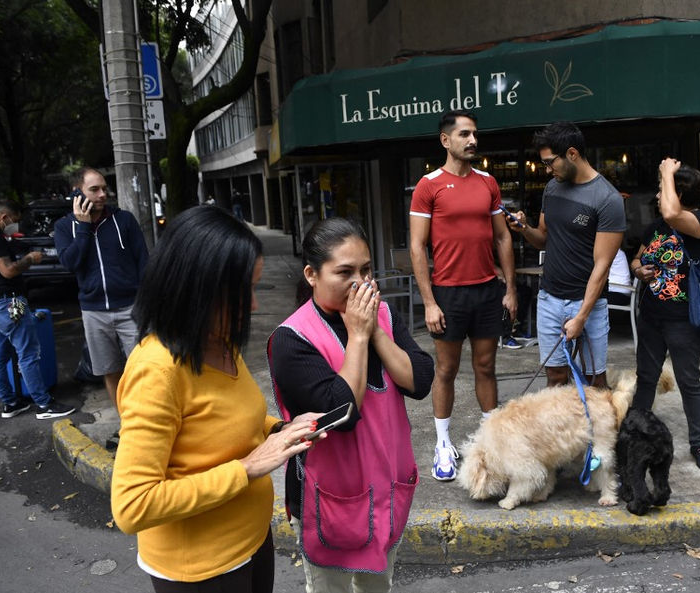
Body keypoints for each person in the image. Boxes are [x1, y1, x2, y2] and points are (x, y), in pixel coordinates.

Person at [111, 206, 322, 592]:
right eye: (244, 293)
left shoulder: (217, 339)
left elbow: (234, 420)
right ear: (198, 290)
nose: (254, 307)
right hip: (202, 569)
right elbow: (132, 506)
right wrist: (247, 468)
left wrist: (282, 430)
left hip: (251, 543)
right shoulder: (157, 370)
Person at [269, 217, 433, 592]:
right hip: (328, 499)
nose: (360, 283)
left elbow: (421, 379)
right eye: (344, 272)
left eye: (366, 270)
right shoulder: (292, 339)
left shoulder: (384, 316)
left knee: (378, 585)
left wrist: (375, 331)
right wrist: (359, 336)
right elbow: (340, 413)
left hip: (387, 486)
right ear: (312, 274)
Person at [409, 109, 518, 482]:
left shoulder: (488, 182)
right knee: (446, 369)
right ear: (446, 140)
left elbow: (502, 236)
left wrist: (510, 289)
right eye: (465, 134)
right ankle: (443, 444)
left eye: (475, 134)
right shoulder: (429, 185)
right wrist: (428, 302)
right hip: (448, 294)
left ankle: (492, 444)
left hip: (487, 291)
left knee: (486, 367)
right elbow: (417, 247)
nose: (473, 141)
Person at [505, 121, 625, 388]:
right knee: (556, 379)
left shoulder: (607, 199)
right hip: (549, 299)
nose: (547, 170)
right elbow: (543, 238)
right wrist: (524, 229)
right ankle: (563, 431)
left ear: (572, 154)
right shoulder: (552, 188)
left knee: (594, 380)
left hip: (588, 305)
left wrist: (581, 316)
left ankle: (597, 430)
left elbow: (602, 268)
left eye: (550, 162)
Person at [628, 157, 700, 472]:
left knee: (688, 380)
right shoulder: (656, 227)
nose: (657, 195)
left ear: (678, 193)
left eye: (662, 188)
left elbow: (671, 211)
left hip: (684, 320)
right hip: (651, 315)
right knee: (646, 379)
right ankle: (635, 436)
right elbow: (636, 259)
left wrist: (666, 170)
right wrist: (639, 270)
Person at [55, 167, 148, 447]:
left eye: (104, 188)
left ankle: (148, 423)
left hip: (130, 306)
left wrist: (148, 302)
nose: (102, 194)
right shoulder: (65, 227)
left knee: (144, 368)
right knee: (110, 370)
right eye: (94, 189)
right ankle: (128, 427)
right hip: (94, 311)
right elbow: (70, 263)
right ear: (77, 194)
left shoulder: (124, 220)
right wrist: (83, 227)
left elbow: (143, 262)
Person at [0, 200, 76, 419]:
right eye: (14, 221)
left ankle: (10, 404)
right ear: (4, 218)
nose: (14, 226)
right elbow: (8, 271)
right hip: (8, 303)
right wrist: (30, 259)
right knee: (28, 353)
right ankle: (44, 405)